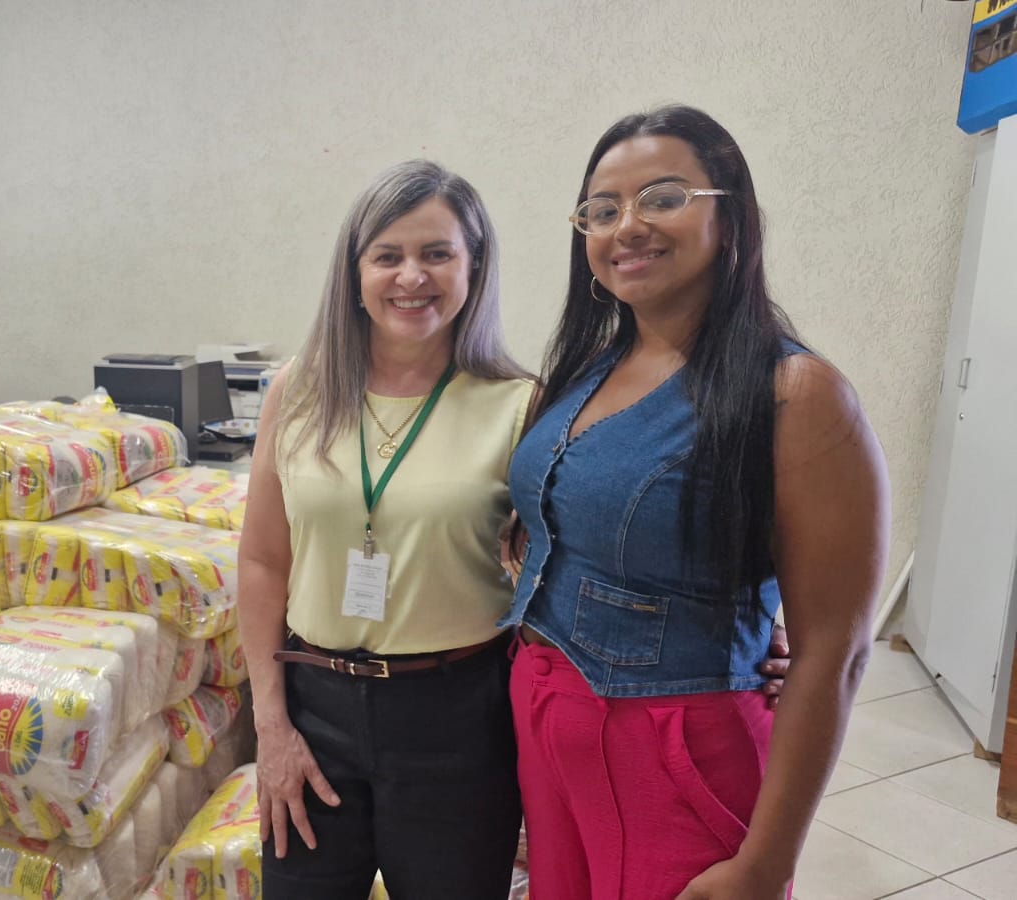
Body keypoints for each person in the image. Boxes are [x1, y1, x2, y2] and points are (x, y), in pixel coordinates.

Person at [501, 106, 888, 899]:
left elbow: (836, 652)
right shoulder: (589, 365)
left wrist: (766, 866)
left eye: (664, 198)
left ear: (731, 216)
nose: (627, 226)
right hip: (547, 718)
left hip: (674, 746)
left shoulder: (797, 393)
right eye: (602, 210)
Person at [238, 159, 537, 897]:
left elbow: (567, 568)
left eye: (437, 253)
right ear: (355, 272)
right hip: (314, 711)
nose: (411, 277)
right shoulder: (299, 391)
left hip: (457, 719)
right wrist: (271, 726)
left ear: (474, 266)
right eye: (387, 255)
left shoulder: (518, 404)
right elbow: (263, 563)